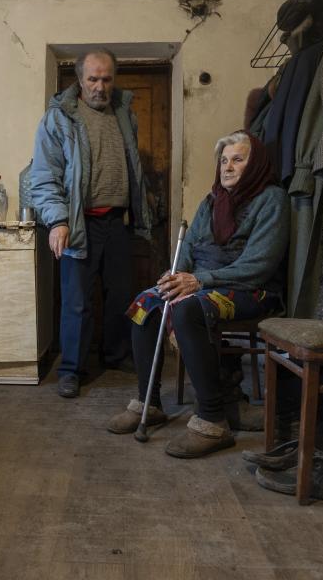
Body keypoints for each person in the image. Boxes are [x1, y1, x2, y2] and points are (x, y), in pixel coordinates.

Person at [107, 130, 289, 458]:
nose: (228, 167)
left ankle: (212, 420)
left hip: (252, 290)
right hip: (203, 282)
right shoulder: (211, 201)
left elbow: (259, 265)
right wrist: (173, 276)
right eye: (223, 161)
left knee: (187, 309)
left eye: (238, 159)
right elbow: (189, 247)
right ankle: (149, 403)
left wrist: (199, 281)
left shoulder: (272, 199)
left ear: (256, 164)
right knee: (146, 303)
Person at [31, 48, 151, 398]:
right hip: (78, 224)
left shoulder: (125, 114)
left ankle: (115, 355)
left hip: (117, 223)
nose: (100, 86)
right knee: (77, 301)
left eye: (107, 79)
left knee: (120, 297)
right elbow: (44, 177)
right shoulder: (58, 118)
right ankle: (72, 369)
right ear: (80, 80)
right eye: (93, 79)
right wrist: (57, 221)